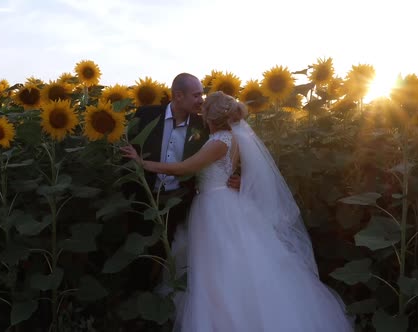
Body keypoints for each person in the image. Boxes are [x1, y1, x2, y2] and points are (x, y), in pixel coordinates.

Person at [121, 91, 354, 331]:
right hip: (226, 201)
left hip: (214, 205)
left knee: (218, 265)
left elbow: (183, 168)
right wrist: (242, 182)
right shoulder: (234, 138)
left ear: (209, 116)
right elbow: (252, 172)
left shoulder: (218, 142)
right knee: (234, 259)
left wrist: (143, 163)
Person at [126, 73, 239, 291]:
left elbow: (229, 147)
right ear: (178, 95)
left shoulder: (204, 123)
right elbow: (128, 151)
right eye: (197, 95)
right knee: (140, 258)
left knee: (175, 256)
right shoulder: (146, 115)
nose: (201, 100)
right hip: (145, 199)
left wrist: (239, 177)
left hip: (181, 202)